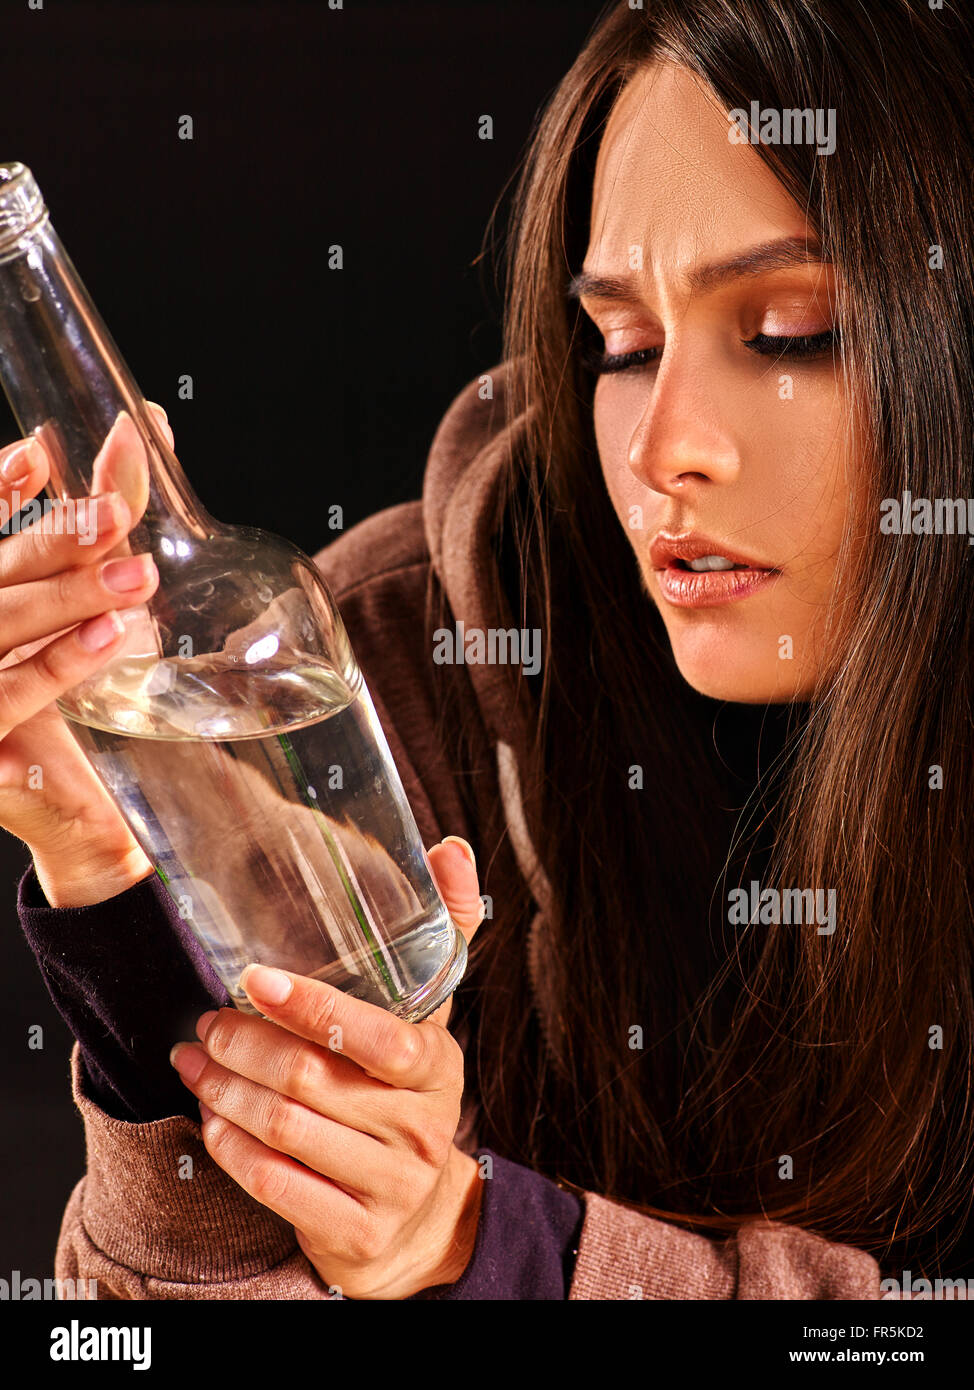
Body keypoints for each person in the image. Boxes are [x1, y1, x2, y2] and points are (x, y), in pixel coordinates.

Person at [3, 0, 971, 1298]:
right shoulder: (391, 647)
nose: (658, 447)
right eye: (620, 344)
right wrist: (114, 881)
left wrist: (486, 1252)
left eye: (786, 333)